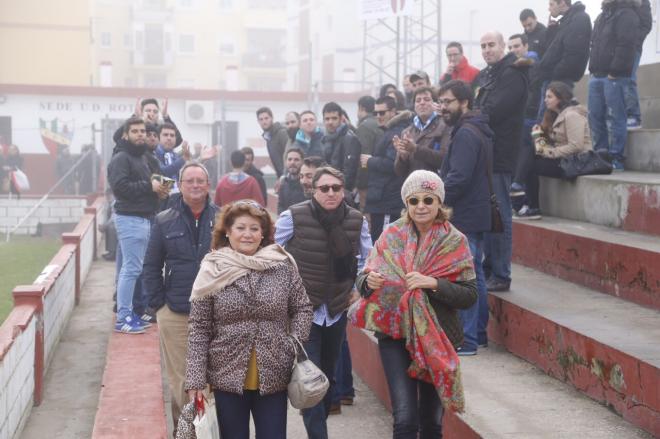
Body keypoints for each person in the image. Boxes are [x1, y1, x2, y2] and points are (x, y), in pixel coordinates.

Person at [350, 170, 478, 437]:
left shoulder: (455, 241)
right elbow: (364, 281)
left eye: (428, 200)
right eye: (414, 200)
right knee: (405, 419)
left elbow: (469, 295)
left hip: (437, 336)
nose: (421, 206)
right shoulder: (391, 236)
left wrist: (432, 283)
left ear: (439, 202)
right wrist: (368, 281)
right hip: (395, 335)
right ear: (406, 203)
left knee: (431, 422)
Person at [185, 200, 313, 439]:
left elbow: (303, 308)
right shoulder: (213, 268)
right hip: (226, 373)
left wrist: (291, 345)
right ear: (228, 231)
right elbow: (199, 328)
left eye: (254, 228)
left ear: (263, 233)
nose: (247, 234)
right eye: (240, 228)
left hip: (274, 370)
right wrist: (195, 379)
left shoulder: (281, 264)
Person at [275, 166, 372, 439]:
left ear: (343, 190)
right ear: (313, 190)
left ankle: (315, 419)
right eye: (324, 188)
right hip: (304, 313)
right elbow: (273, 256)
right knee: (310, 382)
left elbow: (369, 260)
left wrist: (358, 289)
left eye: (336, 188)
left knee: (326, 379)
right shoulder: (292, 216)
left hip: (337, 311)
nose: (330, 193)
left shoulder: (357, 220)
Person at [142, 162, 218, 428]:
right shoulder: (164, 220)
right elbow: (151, 266)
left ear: (208, 185)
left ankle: (206, 430)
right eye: (190, 181)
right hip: (175, 311)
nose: (195, 185)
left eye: (200, 180)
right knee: (183, 380)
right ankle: (185, 431)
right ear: (180, 185)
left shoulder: (222, 220)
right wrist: (159, 306)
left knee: (211, 379)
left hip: (216, 313)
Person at [438, 80, 493, 355]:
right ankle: (478, 335)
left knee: (466, 280)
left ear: (464, 102)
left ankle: (468, 339)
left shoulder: (466, 134)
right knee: (476, 276)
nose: (443, 107)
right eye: (442, 102)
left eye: (448, 102)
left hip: (467, 216)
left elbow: (458, 178)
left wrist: (437, 201)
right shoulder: (469, 129)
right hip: (474, 214)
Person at [475, 31, 529, 293]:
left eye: (491, 45)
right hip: (486, 154)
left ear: (502, 45)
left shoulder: (511, 74)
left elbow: (492, 111)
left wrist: (470, 115)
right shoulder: (489, 74)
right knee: (487, 216)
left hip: (501, 154)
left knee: (501, 216)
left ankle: (501, 273)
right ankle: (489, 267)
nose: (487, 50)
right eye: (483, 46)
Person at [107, 116, 169, 334]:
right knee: (131, 269)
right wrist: (149, 186)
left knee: (137, 268)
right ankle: (123, 317)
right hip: (130, 218)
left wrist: (160, 189)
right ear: (126, 134)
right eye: (135, 131)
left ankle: (132, 312)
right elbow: (120, 187)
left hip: (146, 216)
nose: (140, 134)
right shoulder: (121, 158)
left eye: (143, 131)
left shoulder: (145, 157)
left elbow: (153, 183)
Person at [517, 82, 592, 220]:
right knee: (529, 149)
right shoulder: (553, 115)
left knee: (530, 164)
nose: (545, 100)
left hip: (576, 163)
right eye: (546, 96)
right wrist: (538, 136)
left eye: (549, 97)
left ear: (560, 98)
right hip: (563, 160)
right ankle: (526, 199)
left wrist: (551, 152)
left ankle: (524, 195)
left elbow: (576, 146)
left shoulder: (572, 115)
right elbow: (542, 149)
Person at [587, 0, 639, 171]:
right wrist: (592, 68)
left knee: (616, 117)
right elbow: (594, 44)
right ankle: (601, 156)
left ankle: (616, 158)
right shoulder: (602, 15)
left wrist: (614, 71)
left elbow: (626, 45)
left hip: (614, 76)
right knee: (595, 117)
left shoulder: (627, 14)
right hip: (596, 75)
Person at [363, 96, 409, 242]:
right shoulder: (389, 131)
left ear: (393, 111)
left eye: (382, 113)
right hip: (383, 200)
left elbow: (392, 165)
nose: (378, 116)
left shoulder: (397, 132)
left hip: (389, 201)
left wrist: (370, 161)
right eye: (375, 113)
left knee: (385, 245)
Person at [536, 0, 592, 120]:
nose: (549, 9)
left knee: (549, 125)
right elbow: (551, 51)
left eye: (551, 4)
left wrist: (555, 73)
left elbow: (574, 54)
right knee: (545, 124)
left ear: (562, 3)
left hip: (560, 81)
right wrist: (551, 31)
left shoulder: (579, 19)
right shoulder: (564, 21)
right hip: (552, 79)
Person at [508, 34, 543, 198]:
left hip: (530, 115)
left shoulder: (533, 65)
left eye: (516, 46)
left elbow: (533, 92)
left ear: (526, 46)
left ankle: (518, 183)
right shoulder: (514, 67)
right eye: (510, 47)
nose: (513, 50)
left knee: (526, 148)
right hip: (520, 116)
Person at [394, 86, 451, 178]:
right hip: (414, 187)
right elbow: (400, 173)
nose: (422, 103)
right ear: (414, 106)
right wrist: (402, 158)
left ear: (435, 104)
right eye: (418, 100)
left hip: (435, 185)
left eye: (427, 99)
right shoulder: (407, 131)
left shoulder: (446, 126)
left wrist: (415, 149)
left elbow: (446, 160)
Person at [320, 102, 361, 193]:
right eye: (327, 119)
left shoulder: (349, 138)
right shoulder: (325, 139)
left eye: (334, 118)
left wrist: (339, 191)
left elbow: (350, 172)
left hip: (341, 191)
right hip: (328, 189)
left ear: (341, 119)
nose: (330, 122)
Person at [625, 0, 652, 130]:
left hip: (633, 48)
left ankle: (634, 116)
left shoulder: (642, 2)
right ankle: (624, 115)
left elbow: (646, 25)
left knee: (629, 79)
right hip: (617, 49)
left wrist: (633, 40)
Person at [356, 96, 384, 210]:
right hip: (381, 179)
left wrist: (360, 184)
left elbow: (364, 157)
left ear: (361, 108)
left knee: (366, 216)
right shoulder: (380, 123)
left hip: (368, 182)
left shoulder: (364, 127)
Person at [155, 123, 191, 189]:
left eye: (172, 135)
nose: (169, 138)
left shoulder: (175, 156)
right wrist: (183, 159)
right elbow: (163, 173)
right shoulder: (153, 155)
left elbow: (187, 174)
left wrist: (201, 159)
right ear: (158, 137)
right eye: (165, 135)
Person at [257, 107, 289, 178]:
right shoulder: (269, 138)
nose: (264, 122)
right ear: (258, 121)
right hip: (282, 177)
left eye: (266, 118)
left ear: (272, 118)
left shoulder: (282, 133)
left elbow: (290, 155)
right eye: (261, 119)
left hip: (289, 177)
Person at [277, 148, 306, 214]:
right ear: (286, 162)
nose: (292, 162)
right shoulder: (283, 183)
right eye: (289, 159)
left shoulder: (307, 184)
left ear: (302, 162)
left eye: (296, 160)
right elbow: (280, 206)